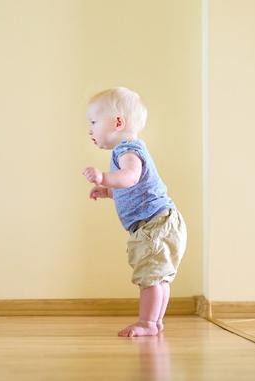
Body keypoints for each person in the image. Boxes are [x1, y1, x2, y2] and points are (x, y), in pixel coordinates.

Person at [82, 87, 187, 337]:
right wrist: (108, 191)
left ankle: (148, 323)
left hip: (154, 224)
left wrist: (104, 177)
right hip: (163, 221)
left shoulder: (127, 151)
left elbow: (131, 177)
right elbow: (133, 187)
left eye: (94, 122)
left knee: (150, 277)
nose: (90, 129)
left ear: (117, 122)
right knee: (159, 277)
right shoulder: (131, 149)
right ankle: (155, 321)